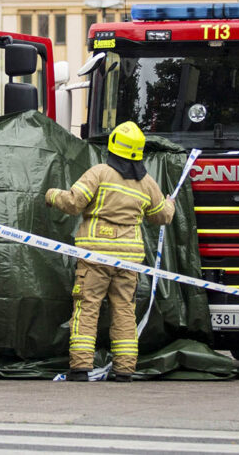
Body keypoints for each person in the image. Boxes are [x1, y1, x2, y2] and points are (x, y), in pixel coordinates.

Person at [44, 121, 175, 382]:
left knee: (87, 307)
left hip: (95, 256)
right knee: (124, 310)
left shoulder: (99, 173)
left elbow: (73, 202)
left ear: (113, 146)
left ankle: (80, 368)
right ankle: (124, 370)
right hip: (129, 260)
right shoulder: (147, 183)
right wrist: (170, 203)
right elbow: (162, 216)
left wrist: (50, 194)